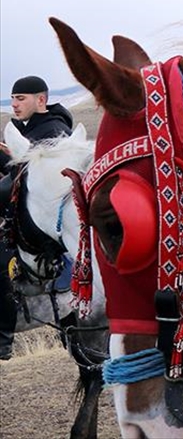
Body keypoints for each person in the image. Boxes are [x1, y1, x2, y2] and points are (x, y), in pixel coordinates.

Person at [0, 75, 76, 360]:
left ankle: (3, 336)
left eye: (21, 98)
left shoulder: (53, 130)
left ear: (40, 100)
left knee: (0, 259)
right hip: (25, 213)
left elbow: (33, 178)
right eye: (12, 99)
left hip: (43, 223)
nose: (14, 104)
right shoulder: (31, 128)